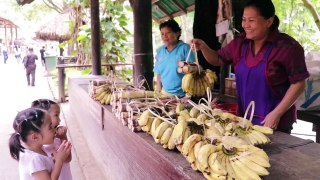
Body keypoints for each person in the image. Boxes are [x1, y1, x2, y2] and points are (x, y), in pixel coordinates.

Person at [191, 0, 309, 134]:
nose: (246, 25)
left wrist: (276, 113)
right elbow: (218, 59)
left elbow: (299, 83)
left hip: (275, 124)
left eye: (251, 20)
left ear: (269, 22)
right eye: (244, 19)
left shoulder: (288, 47)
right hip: (244, 121)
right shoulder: (240, 43)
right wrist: (203, 47)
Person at [9, 108, 72, 180]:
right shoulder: (33, 160)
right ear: (35, 137)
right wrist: (59, 160)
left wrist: (55, 159)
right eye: (50, 127)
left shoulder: (37, 148)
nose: (55, 129)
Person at [31, 99, 72, 180]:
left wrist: (63, 137)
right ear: (44, 118)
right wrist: (59, 160)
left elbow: (68, 159)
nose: (60, 120)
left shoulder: (57, 138)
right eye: (56, 115)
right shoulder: (38, 150)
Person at [153, 19, 195, 97]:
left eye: (168, 33)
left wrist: (188, 96)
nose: (165, 36)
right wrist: (158, 92)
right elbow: (159, 74)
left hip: (183, 95)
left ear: (177, 33)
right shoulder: (160, 51)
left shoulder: (185, 48)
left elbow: (193, 73)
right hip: (165, 95)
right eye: (162, 34)